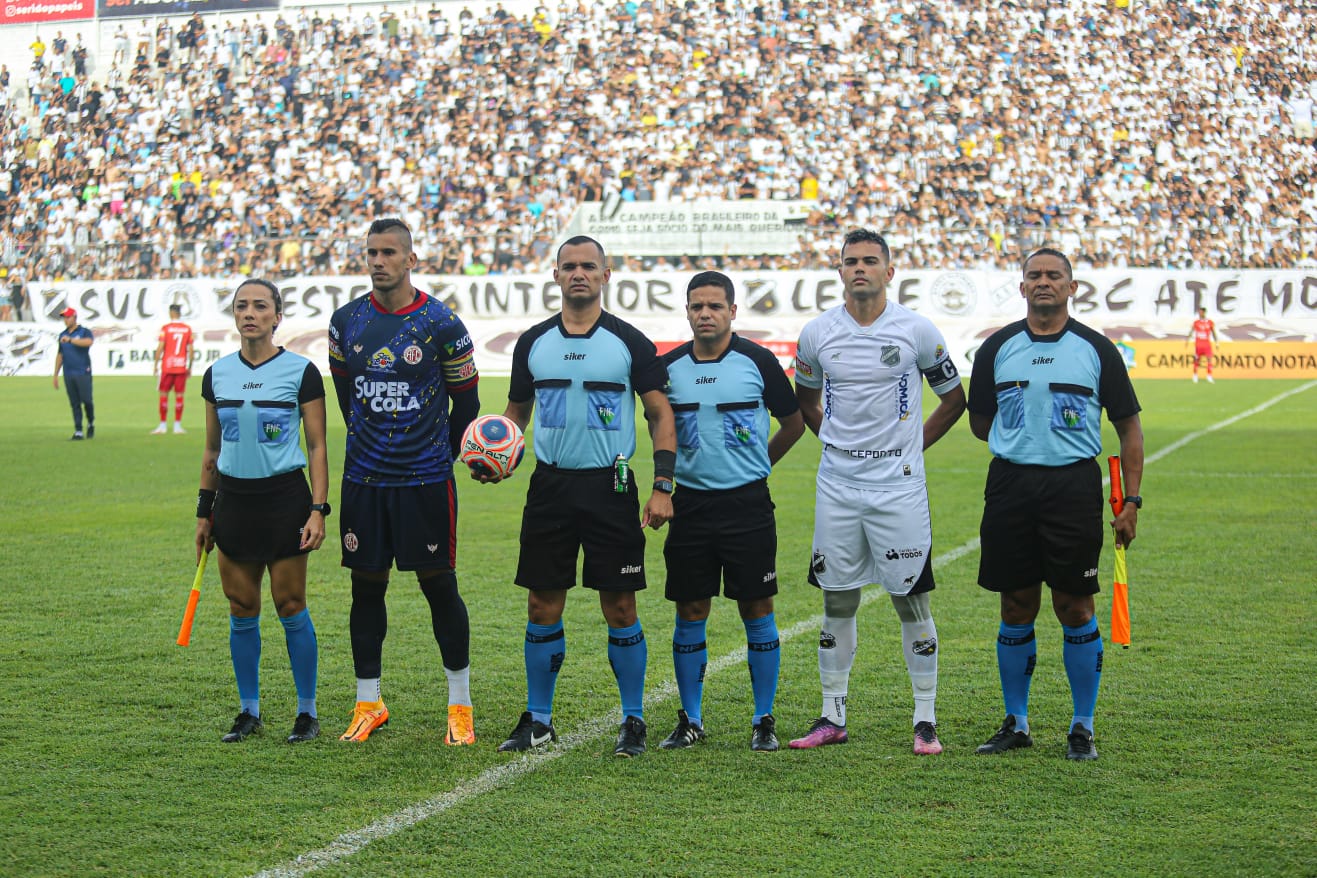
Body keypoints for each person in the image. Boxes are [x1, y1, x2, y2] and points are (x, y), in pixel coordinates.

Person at [491, 235, 676, 758]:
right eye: (569, 266)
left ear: (605, 275)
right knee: (541, 602)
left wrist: (663, 485)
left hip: (610, 485)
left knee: (619, 605)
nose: (578, 274)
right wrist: (494, 451)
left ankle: (634, 718)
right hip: (549, 485)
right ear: (556, 275)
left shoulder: (629, 342)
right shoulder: (533, 342)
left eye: (588, 267)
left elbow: (660, 414)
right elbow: (517, 414)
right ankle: (540, 718)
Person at [789, 229, 966, 755]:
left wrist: (910, 450)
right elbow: (806, 402)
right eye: (850, 262)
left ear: (890, 271)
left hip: (899, 487)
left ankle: (925, 719)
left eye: (870, 261)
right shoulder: (817, 333)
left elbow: (954, 399)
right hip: (838, 486)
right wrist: (842, 448)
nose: (859, 268)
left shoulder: (917, 330)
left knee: (911, 598)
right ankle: (832, 714)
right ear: (839, 272)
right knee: (836, 599)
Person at [967, 248, 1143, 762]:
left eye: (1054, 276)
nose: (1043, 283)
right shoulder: (997, 347)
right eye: (1034, 276)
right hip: (1010, 487)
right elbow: (982, 422)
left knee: (1074, 604)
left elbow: (1128, 426)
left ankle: (1082, 726)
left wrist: (1131, 500)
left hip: (1073, 489)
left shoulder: (1096, 349)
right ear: (1021, 288)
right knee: (1016, 603)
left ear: (1072, 287)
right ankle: (1016, 722)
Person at [328, 218, 481, 746]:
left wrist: (460, 453)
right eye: (371, 251)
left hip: (426, 478)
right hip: (364, 481)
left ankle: (459, 705)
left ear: (411, 259)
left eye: (389, 252)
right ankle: (369, 701)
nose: (377, 260)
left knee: (438, 584)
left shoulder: (442, 323)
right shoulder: (345, 321)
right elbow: (347, 396)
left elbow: (468, 401)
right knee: (365, 586)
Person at [657, 270, 804, 752]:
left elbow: (794, 423)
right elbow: (663, 431)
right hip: (691, 505)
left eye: (715, 306)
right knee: (691, 608)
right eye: (697, 306)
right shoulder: (670, 367)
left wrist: (759, 465)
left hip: (747, 503)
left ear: (733, 311)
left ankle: (764, 719)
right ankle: (691, 718)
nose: (705, 314)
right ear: (687, 311)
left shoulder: (758, 362)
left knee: (756, 608)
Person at [195, 278, 329, 744]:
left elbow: (316, 445)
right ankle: (248, 710)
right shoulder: (217, 374)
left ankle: (306, 711)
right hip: (233, 502)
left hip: (285, 502)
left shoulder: (301, 371)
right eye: (241, 306)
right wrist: (203, 512)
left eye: (260, 306)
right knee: (241, 606)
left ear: (277, 315)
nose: (250, 313)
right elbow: (212, 450)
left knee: (290, 605)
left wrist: (318, 509)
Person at [53, 307, 95, 440]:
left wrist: (71, 340)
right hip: (68, 372)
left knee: (87, 400)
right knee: (74, 402)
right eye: (64, 318)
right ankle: (78, 430)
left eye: (68, 317)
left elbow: (89, 342)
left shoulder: (84, 332)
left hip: (83, 371)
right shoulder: (62, 335)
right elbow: (60, 355)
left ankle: (91, 422)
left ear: (74, 317)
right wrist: (55, 374)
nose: (66, 320)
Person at [152, 304, 195, 434]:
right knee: (179, 396)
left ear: (171, 313)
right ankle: (177, 426)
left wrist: (155, 364)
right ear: (179, 313)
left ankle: (163, 425)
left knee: (163, 394)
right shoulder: (187, 329)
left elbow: (160, 347)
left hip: (167, 366)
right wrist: (189, 367)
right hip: (181, 367)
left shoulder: (166, 328)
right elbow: (191, 351)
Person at [1187, 306, 1219, 383]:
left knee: (1209, 359)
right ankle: (1195, 375)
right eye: (1199, 312)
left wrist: (1217, 342)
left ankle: (1209, 376)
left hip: (1207, 344)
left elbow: (1213, 332)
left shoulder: (1210, 322)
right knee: (1196, 360)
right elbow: (1191, 332)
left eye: (1201, 312)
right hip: (1198, 344)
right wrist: (1188, 340)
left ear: (1204, 312)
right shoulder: (1196, 322)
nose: (1200, 313)